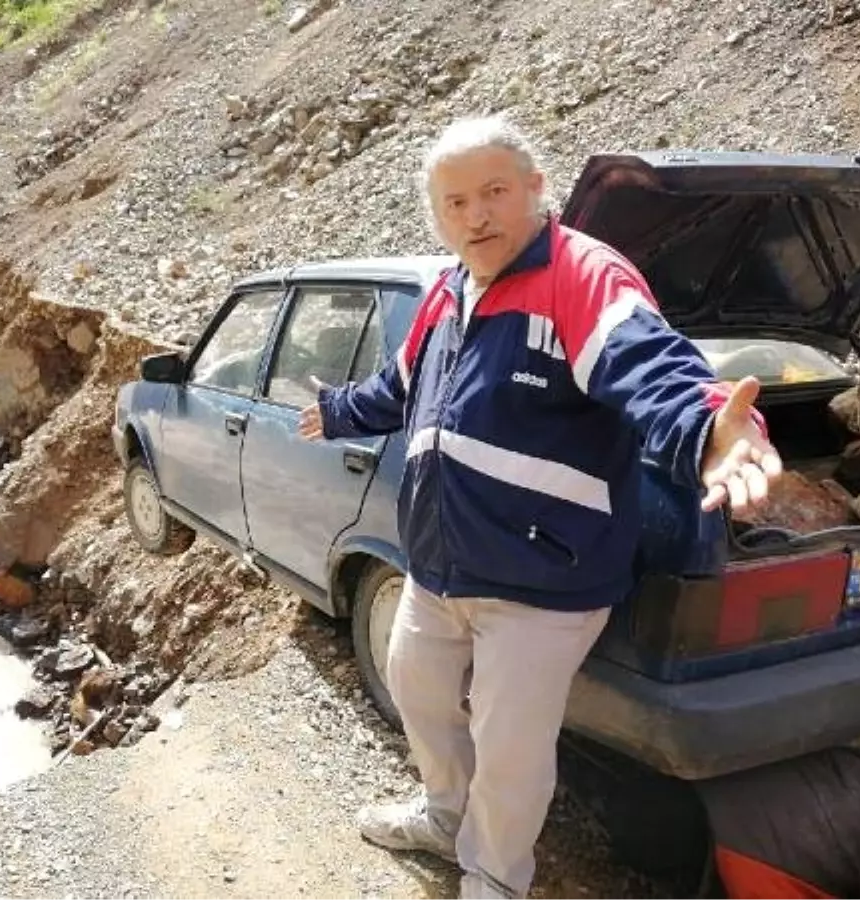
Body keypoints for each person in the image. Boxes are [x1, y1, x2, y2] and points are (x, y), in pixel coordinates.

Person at [298, 115, 783, 900]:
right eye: (454, 202)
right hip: (440, 565)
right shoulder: (450, 291)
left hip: (541, 584)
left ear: (535, 188)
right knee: (418, 692)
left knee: (511, 747)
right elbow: (402, 386)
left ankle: (493, 877)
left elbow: (648, 365)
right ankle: (442, 814)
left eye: (494, 192)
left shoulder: (582, 277)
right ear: (437, 214)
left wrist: (712, 427)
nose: (476, 216)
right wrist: (341, 411)